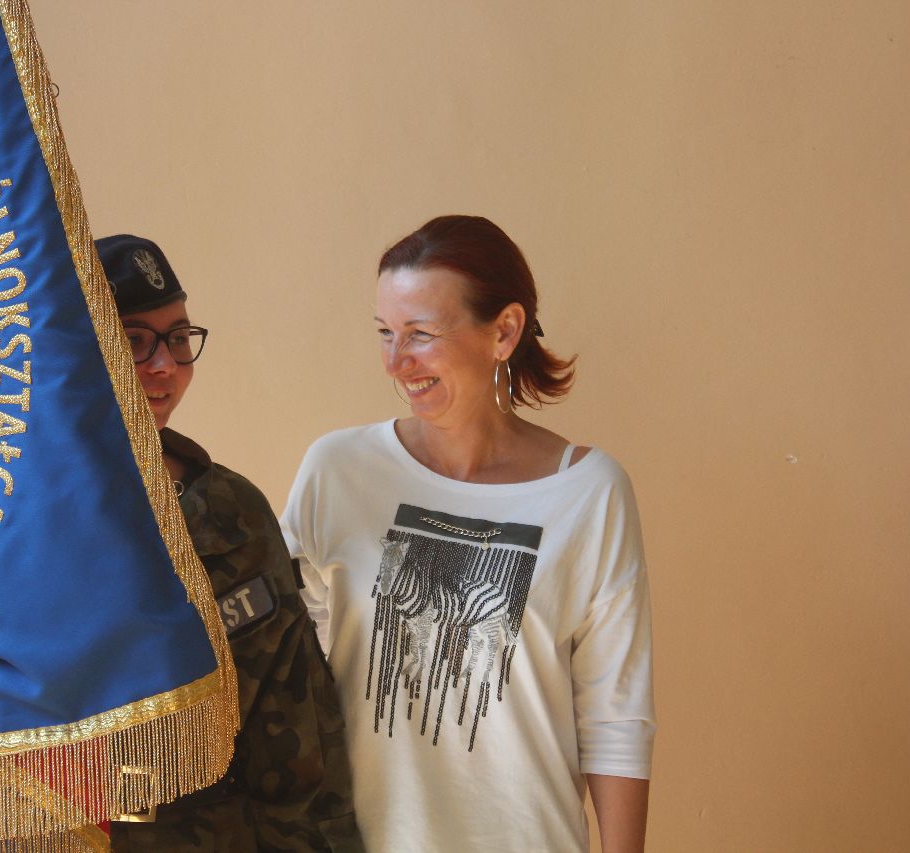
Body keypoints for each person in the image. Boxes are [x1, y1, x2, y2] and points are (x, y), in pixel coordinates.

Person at [280, 215, 655, 852]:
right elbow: (284, 669)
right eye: (385, 332)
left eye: (421, 334)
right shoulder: (337, 471)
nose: (396, 362)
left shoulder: (589, 493)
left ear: (504, 331)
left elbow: (615, 715)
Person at [95, 234, 364, 852]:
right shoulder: (11, 515)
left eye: (178, 338)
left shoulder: (229, 507)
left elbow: (297, 731)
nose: (166, 365)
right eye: (134, 340)